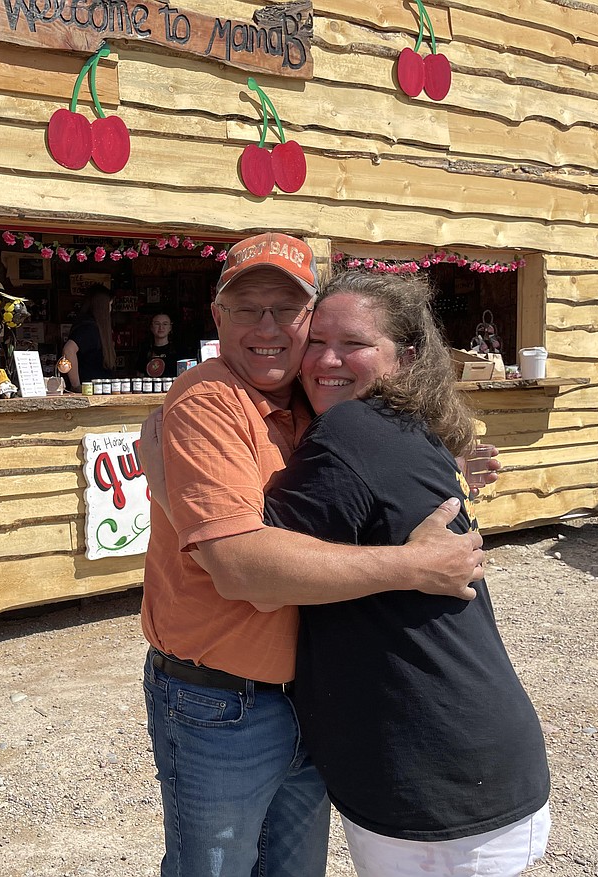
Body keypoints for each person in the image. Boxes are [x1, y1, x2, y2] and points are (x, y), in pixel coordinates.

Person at [139, 231, 491, 877]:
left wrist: (453, 454)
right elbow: (245, 570)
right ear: (218, 318)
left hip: (310, 692)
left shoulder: (312, 394)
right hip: (221, 700)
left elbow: (398, 411)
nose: (266, 327)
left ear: (311, 317)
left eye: (287, 309)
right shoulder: (210, 400)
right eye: (247, 308)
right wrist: (413, 566)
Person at [264, 269, 549, 875]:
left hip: (432, 771)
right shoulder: (407, 428)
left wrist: (165, 474)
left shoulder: (347, 431)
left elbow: (251, 570)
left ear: (406, 358)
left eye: (354, 344)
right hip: (474, 753)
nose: (325, 360)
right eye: (315, 341)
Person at [62, 285, 115, 391]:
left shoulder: (92, 326)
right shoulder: (89, 327)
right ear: (102, 306)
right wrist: (76, 385)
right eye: (110, 305)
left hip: (97, 389)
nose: (110, 309)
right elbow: (68, 350)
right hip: (89, 390)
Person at [139, 312, 180, 378]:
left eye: (165, 324)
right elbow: (140, 374)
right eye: (157, 324)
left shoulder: (178, 351)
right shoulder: (145, 350)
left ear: (170, 328)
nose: (161, 327)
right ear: (151, 327)